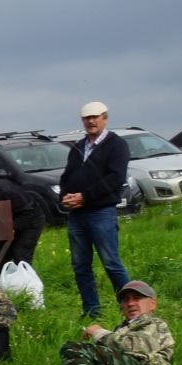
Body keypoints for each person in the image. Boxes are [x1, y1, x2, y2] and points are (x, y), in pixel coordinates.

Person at [59, 100, 131, 316]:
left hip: (101, 212)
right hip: (77, 214)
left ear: (104, 118)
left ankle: (131, 307)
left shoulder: (116, 145)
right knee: (80, 266)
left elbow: (115, 178)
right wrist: (65, 196)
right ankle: (91, 310)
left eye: (95, 117)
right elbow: (67, 175)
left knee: (111, 263)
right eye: (87, 118)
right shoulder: (78, 147)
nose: (91, 121)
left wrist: (85, 197)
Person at [61, 280, 174, 365]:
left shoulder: (154, 322)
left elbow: (138, 347)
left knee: (75, 348)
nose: (130, 303)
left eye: (137, 298)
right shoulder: (125, 327)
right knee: (84, 352)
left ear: (152, 304)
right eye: (125, 300)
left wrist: (99, 333)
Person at [0, 177, 46, 283]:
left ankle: (25, 286)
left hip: (31, 220)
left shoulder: (7, 191)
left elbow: (27, 212)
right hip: (5, 222)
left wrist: (13, 227)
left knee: (20, 254)